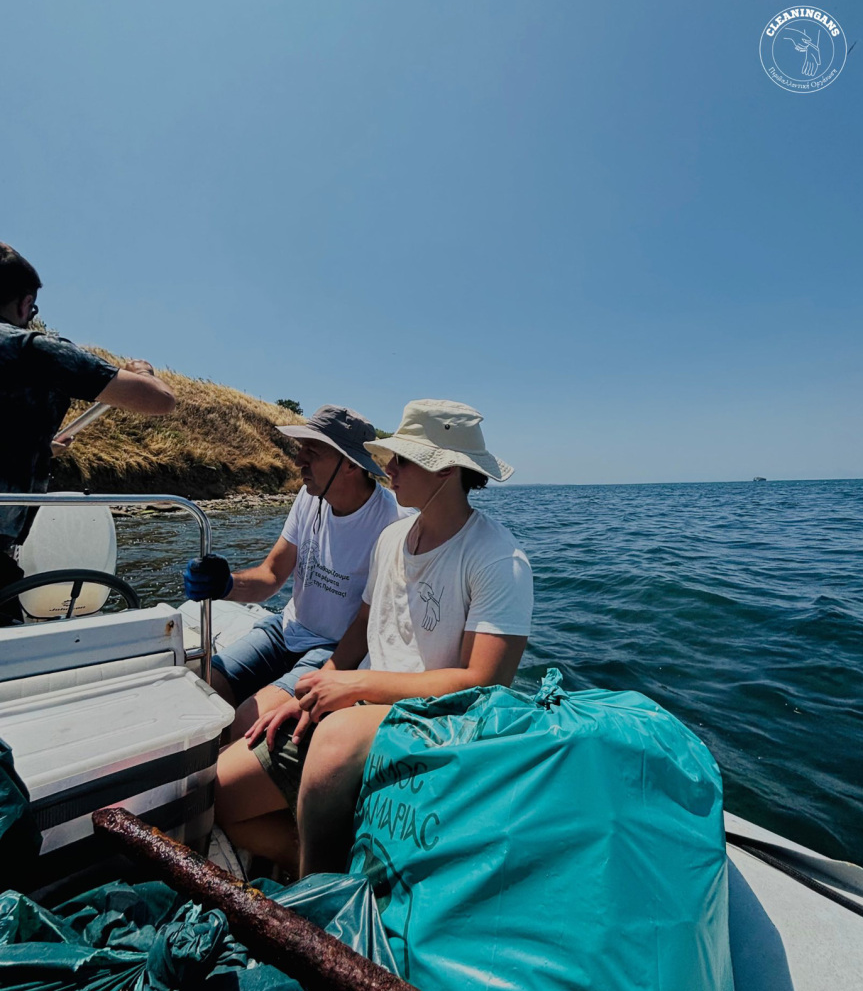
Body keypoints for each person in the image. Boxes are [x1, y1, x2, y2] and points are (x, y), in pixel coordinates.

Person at [215, 399, 533, 877]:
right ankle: (333, 863)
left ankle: (317, 898)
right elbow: (363, 629)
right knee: (215, 792)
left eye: (402, 459)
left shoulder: (498, 560)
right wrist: (313, 689)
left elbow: (484, 683)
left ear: (445, 470)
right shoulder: (393, 539)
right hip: (362, 700)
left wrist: (356, 689)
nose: (387, 468)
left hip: (430, 721)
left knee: (333, 744)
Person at [184, 404, 407, 745]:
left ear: (350, 464)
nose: (298, 459)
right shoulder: (309, 497)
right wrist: (225, 585)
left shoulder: (392, 522)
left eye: (312, 451)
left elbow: (369, 624)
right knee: (201, 686)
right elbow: (271, 575)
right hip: (287, 629)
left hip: (335, 648)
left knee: (247, 720)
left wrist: (331, 678)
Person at [0, 242, 176, 622]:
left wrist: (45, 450)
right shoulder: (32, 350)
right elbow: (160, 400)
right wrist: (143, 372)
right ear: (23, 303)